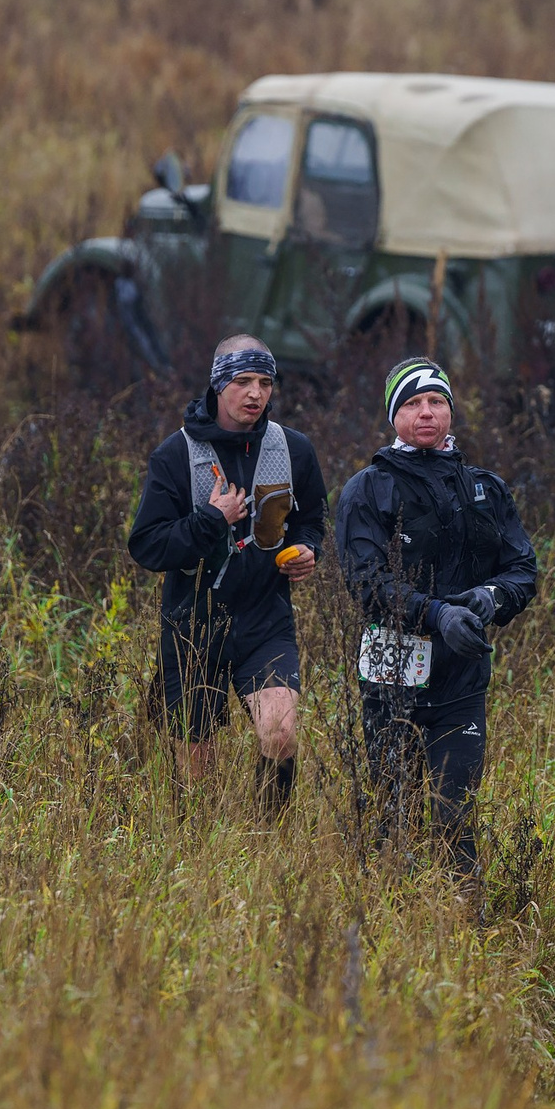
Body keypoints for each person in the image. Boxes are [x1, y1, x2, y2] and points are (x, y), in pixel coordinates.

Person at [335, 358, 539, 874]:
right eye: (412, 403)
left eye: (437, 402)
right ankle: (388, 926)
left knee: (455, 817)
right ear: (393, 415)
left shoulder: (486, 489)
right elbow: (367, 584)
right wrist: (436, 613)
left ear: (450, 411)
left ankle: (465, 931)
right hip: (391, 675)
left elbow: (523, 569)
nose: (426, 413)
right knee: (391, 820)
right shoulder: (367, 489)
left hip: (462, 680)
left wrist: (493, 597)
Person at [125, 335, 327, 815]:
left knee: (280, 735)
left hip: (265, 622)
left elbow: (312, 518)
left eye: (264, 382)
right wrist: (211, 520)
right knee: (199, 777)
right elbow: (147, 545)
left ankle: (266, 837)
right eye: (242, 382)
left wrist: (308, 549)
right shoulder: (173, 455)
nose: (255, 393)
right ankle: (201, 855)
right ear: (218, 385)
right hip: (193, 627)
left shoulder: (294, 449)